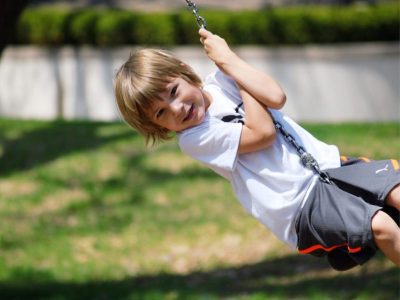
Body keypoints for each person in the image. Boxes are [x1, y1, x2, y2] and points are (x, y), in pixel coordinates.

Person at [114, 28, 400, 271]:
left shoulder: (222, 78)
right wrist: (233, 70)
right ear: (157, 126)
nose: (178, 109)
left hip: (329, 166)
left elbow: (276, 96)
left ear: (184, 74)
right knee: (381, 225)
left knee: (396, 190)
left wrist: (229, 61)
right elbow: (262, 133)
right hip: (300, 205)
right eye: (161, 113)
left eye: (174, 92)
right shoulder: (194, 138)